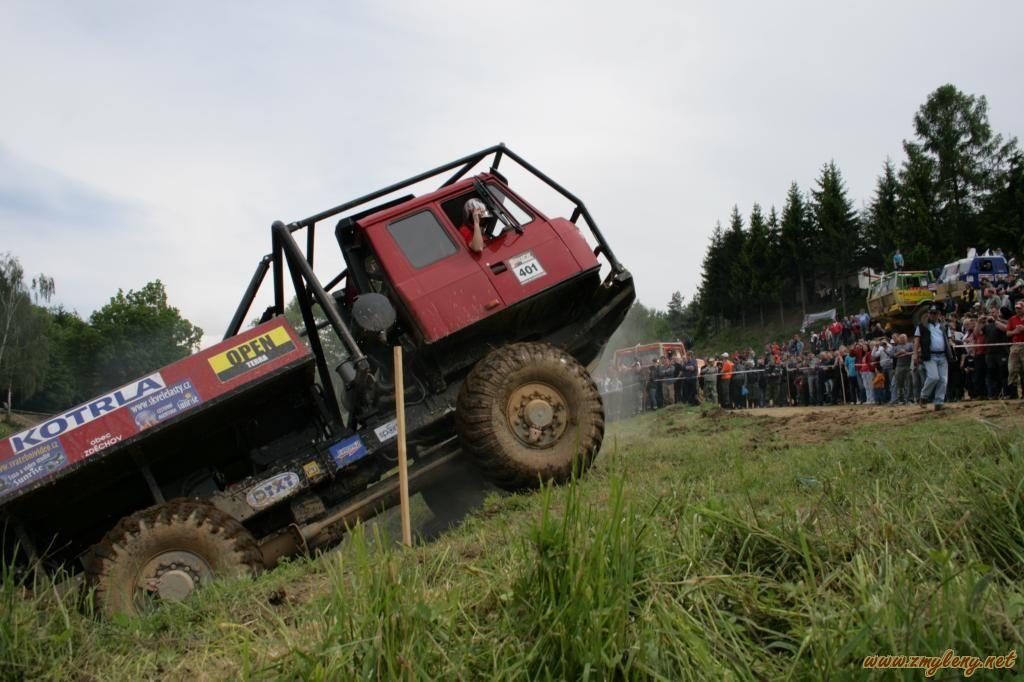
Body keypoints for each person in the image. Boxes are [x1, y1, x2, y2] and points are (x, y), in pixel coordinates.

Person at [914, 304, 952, 410]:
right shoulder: (922, 326)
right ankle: (924, 396)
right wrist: (915, 354)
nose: (933, 315)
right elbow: (916, 341)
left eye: (935, 313)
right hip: (929, 355)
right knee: (933, 377)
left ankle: (939, 401)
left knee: (943, 380)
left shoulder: (945, 326)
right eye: (931, 313)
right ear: (928, 314)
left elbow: (949, 339)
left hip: (943, 355)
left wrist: (951, 345)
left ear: (939, 314)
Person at [1007, 300, 1024, 398]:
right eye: (1016, 308)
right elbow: (1008, 333)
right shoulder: (1012, 319)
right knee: (1012, 369)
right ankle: (1013, 393)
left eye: (1020, 308)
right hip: (1015, 346)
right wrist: (1015, 331)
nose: (1018, 310)